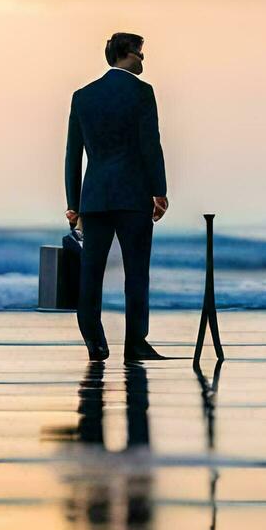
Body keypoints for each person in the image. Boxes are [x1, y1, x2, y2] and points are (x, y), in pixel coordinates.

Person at [65, 32, 170, 360]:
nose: (143, 60)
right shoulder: (141, 93)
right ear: (126, 54)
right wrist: (159, 191)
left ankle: (94, 342)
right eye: (140, 53)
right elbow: (149, 144)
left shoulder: (83, 96)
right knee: (136, 271)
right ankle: (135, 342)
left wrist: (73, 203)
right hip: (133, 195)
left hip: (94, 197)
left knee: (91, 272)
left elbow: (73, 154)